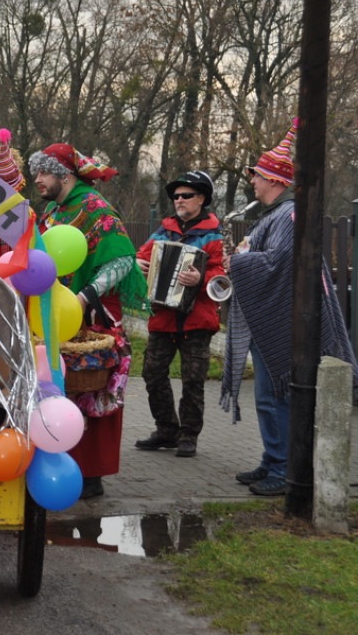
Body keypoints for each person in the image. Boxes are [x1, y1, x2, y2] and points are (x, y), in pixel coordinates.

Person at [221, 119, 358, 496]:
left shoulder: (290, 214)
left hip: (287, 325)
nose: (252, 182)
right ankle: (272, 459)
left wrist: (239, 263)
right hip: (279, 322)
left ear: (275, 180)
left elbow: (281, 261)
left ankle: (284, 469)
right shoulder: (277, 214)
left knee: (276, 395)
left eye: (257, 176)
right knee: (267, 396)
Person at [29, 143, 148, 499]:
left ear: (64, 175)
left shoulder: (96, 207)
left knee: (90, 390)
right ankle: (55, 458)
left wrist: (84, 298)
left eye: (43, 172)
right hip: (53, 316)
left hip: (92, 317)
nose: (36, 179)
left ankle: (90, 473)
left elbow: (122, 260)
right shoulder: (52, 210)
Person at [134, 171, 225, 457]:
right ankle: (167, 430)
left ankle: (188, 436)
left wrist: (200, 278)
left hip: (197, 320)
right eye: (176, 196)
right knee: (152, 374)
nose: (179, 200)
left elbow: (220, 276)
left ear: (201, 199)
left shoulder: (215, 234)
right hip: (163, 318)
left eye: (186, 195)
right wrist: (138, 264)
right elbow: (142, 255)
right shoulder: (164, 229)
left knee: (193, 380)